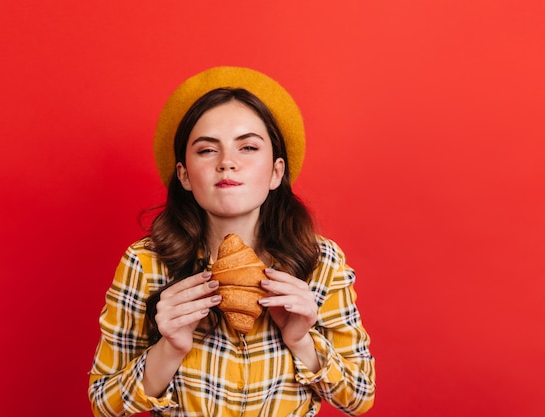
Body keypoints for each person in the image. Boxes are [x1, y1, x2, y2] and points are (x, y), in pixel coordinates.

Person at [88, 66, 376, 417]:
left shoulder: (321, 261)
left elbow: (360, 398)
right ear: (184, 176)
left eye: (248, 147)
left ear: (276, 172)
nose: (227, 163)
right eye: (207, 151)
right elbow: (103, 403)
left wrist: (300, 340)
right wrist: (170, 348)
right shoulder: (146, 263)